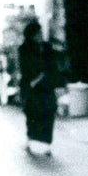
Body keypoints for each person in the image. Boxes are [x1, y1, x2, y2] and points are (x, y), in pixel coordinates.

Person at [18, 20, 64, 155]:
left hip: (46, 86)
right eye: (37, 33)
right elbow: (25, 67)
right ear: (31, 35)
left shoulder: (46, 47)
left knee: (49, 112)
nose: (40, 35)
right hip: (31, 87)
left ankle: (47, 144)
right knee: (32, 114)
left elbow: (53, 65)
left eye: (40, 32)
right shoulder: (24, 48)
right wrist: (36, 77)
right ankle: (29, 140)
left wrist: (56, 82)